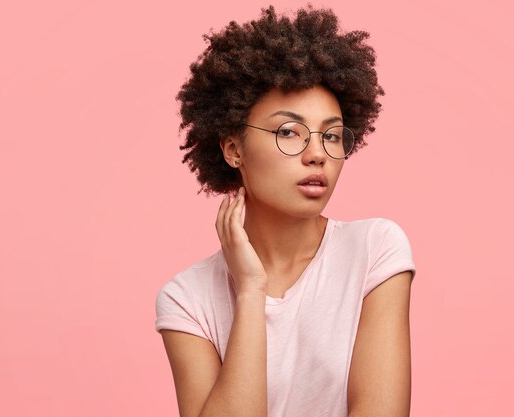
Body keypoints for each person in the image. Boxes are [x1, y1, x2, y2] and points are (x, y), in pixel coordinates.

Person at [155, 5, 417, 417]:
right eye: (288, 132)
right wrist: (251, 290)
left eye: (332, 136)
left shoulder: (374, 252)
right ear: (233, 149)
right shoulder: (188, 300)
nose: (317, 154)